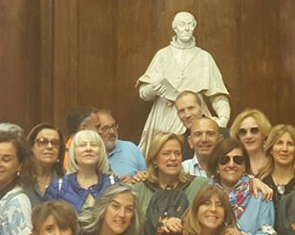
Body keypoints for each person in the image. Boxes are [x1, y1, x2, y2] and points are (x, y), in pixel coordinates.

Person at [136, 11, 231, 153]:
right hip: (164, 120)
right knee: (162, 156)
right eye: (182, 24)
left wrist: (222, 120)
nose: (186, 28)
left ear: (194, 27)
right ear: (174, 28)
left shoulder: (204, 57)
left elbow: (218, 96)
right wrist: (153, 89)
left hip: (196, 121)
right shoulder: (162, 55)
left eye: (190, 25)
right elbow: (143, 93)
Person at [209, 139, 276, 235]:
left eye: (238, 160)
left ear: (245, 165)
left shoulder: (261, 194)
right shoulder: (206, 193)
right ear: (217, 166)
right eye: (224, 160)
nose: (231, 164)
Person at [132, 133, 210, 235]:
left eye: (177, 153)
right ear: (154, 159)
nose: (173, 158)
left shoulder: (200, 185)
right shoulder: (138, 189)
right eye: (166, 153)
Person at [44, 129, 115, 214]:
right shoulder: (57, 187)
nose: (88, 149)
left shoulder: (113, 184)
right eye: (82, 145)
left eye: (94, 145)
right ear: (73, 153)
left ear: (101, 152)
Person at [98, 109, 146, 181]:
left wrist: (135, 181)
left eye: (114, 126)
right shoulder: (89, 154)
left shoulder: (130, 148)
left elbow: (146, 177)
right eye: (105, 128)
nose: (112, 132)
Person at [26, 123, 65, 204]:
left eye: (54, 143)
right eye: (42, 141)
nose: (49, 147)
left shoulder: (66, 182)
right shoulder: (20, 181)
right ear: (31, 147)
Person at [230, 109, 273, 176]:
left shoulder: (274, 162)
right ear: (238, 136)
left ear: (264, 134)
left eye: (254, 130)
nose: (248, 136)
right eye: (243, 132)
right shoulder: (231, 163)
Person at [174, 90, 205, 160]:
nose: (187, 115)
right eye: (181, 111)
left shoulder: (225, 136)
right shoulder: (179, 145)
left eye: (191, 108)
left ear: (202, 108)